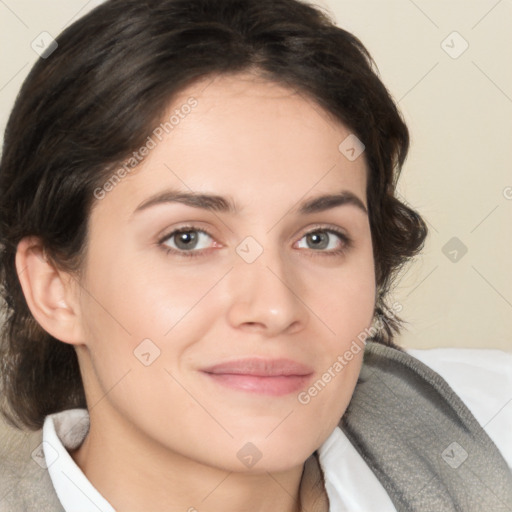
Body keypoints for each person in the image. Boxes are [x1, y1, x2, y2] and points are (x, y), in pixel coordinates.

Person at [0, 0, 511, 510]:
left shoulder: (490, 423)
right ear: (55, 288)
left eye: (319, 238)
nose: (274, 308)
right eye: (188, 239)